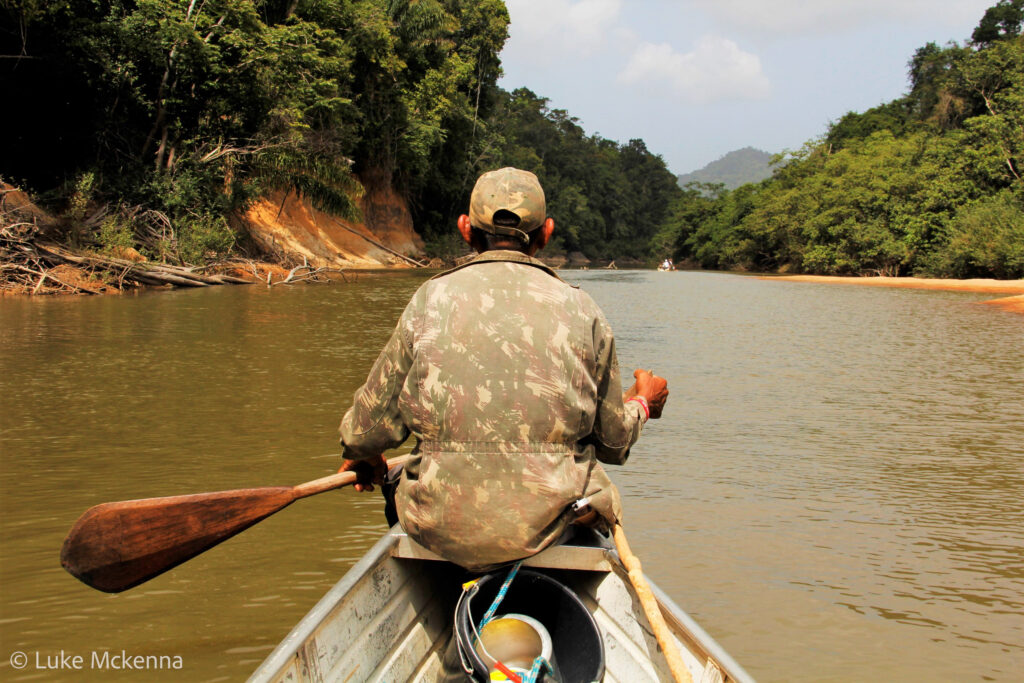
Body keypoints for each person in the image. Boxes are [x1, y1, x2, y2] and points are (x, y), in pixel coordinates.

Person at [338, 167, 668, 571]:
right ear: (546, 233)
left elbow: (364, 431)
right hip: (551, 527)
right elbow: (614, 444)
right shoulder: (583, 310)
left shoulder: (430, 299)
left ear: (465, 228)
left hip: (436, 526)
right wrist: (644, 403)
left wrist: (366, 455)